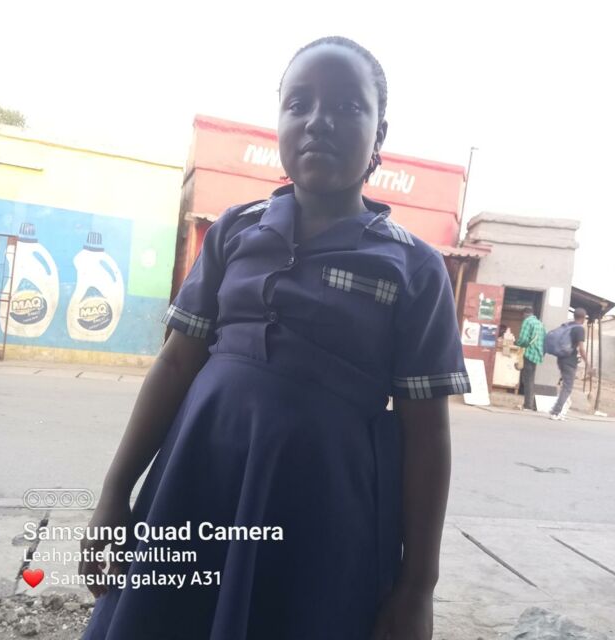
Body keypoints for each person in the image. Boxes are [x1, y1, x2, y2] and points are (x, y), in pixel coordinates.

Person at [79, 36, 471, 640]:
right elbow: (177, 364)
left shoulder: (413, 267)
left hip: (323, 517)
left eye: (347, 106)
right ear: (280, 122)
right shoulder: (235, 232)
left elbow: (427, 435)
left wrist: (418, 586)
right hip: (196, 486)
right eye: (299, 103)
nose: (319, 121)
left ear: (380, 134)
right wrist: (114, 494)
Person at [550, 307, 588, 420]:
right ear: (583, 318)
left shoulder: (568, 325)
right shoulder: (579, 329)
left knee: (565, 386)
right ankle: (556, 412)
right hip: (570, 361)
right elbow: (581, 349)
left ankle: (560, 410)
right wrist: (588, 363)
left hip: (561, 359)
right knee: (567, 387)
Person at [515, 306, 545, 411]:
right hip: (536, 355)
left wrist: (516, 342)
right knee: (530, 379)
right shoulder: (540, 324)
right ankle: (530, 404)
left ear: (524, 314)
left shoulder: (527, 322)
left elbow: (523, 339)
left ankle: (528, 405)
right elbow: (543, 339)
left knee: (527, 380)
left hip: (528, 353)